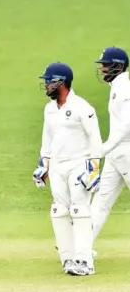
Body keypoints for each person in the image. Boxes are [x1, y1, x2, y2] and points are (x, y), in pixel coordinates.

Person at [33, 62, 102, 276]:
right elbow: (47, 138)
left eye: (49, 81)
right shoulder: (49, 109)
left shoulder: (82, 107)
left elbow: (95, 138)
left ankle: (85, 261)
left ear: (61, 82)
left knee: (80, 210)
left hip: (79, 164)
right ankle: (68, 260)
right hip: (57, 166)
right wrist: (43, 163)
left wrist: (94, 167)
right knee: (59, 211)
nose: (45, 85)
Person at [91, 47, 130, 242]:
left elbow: (127, 124)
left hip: (126, 152)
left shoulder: (124, 89)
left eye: (106, 65)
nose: (102, 69)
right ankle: (81, 246)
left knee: (101, 202)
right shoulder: (117, 87)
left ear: (119, 66)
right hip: (117, 155)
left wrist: (105, 147)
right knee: (101, 201)